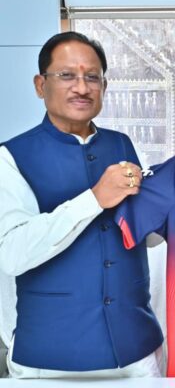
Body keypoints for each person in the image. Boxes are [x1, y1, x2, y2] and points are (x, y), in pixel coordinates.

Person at [0, 31, 163, 378]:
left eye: (92, 77)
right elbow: (11, 253)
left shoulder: (123, 144)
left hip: (136, 352)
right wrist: (94, 199)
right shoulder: (10, 157)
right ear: (40, 85)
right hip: (48, 361)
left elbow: (142, 233)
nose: (82, 87)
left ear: (104, 86)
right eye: (67, 75)